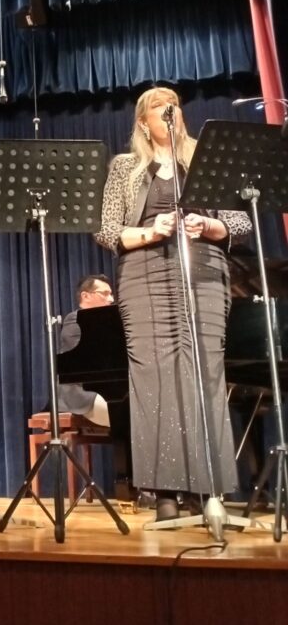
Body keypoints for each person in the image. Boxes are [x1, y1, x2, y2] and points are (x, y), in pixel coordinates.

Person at [95, 87, 251, 522]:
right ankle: (164, 492)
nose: (170, 111)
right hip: (143, 275)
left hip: (203, 272)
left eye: (175, 105)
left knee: (205, 372)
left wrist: (210, 224)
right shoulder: (125, 167)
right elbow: (106, 230)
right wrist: (151, 231)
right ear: (144, 122)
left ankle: (207, 489)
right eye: (158, 106)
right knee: (154, 377)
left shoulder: (205, 159)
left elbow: (240, 221)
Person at [57, 274, 114, 429]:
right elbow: (89, 360)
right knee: (126, 412)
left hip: (108, 388)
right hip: (83, 392)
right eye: (105, 294)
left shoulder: (112, 322)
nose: (111, 299)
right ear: (86, 296)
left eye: (111, 294)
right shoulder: (75, 320)